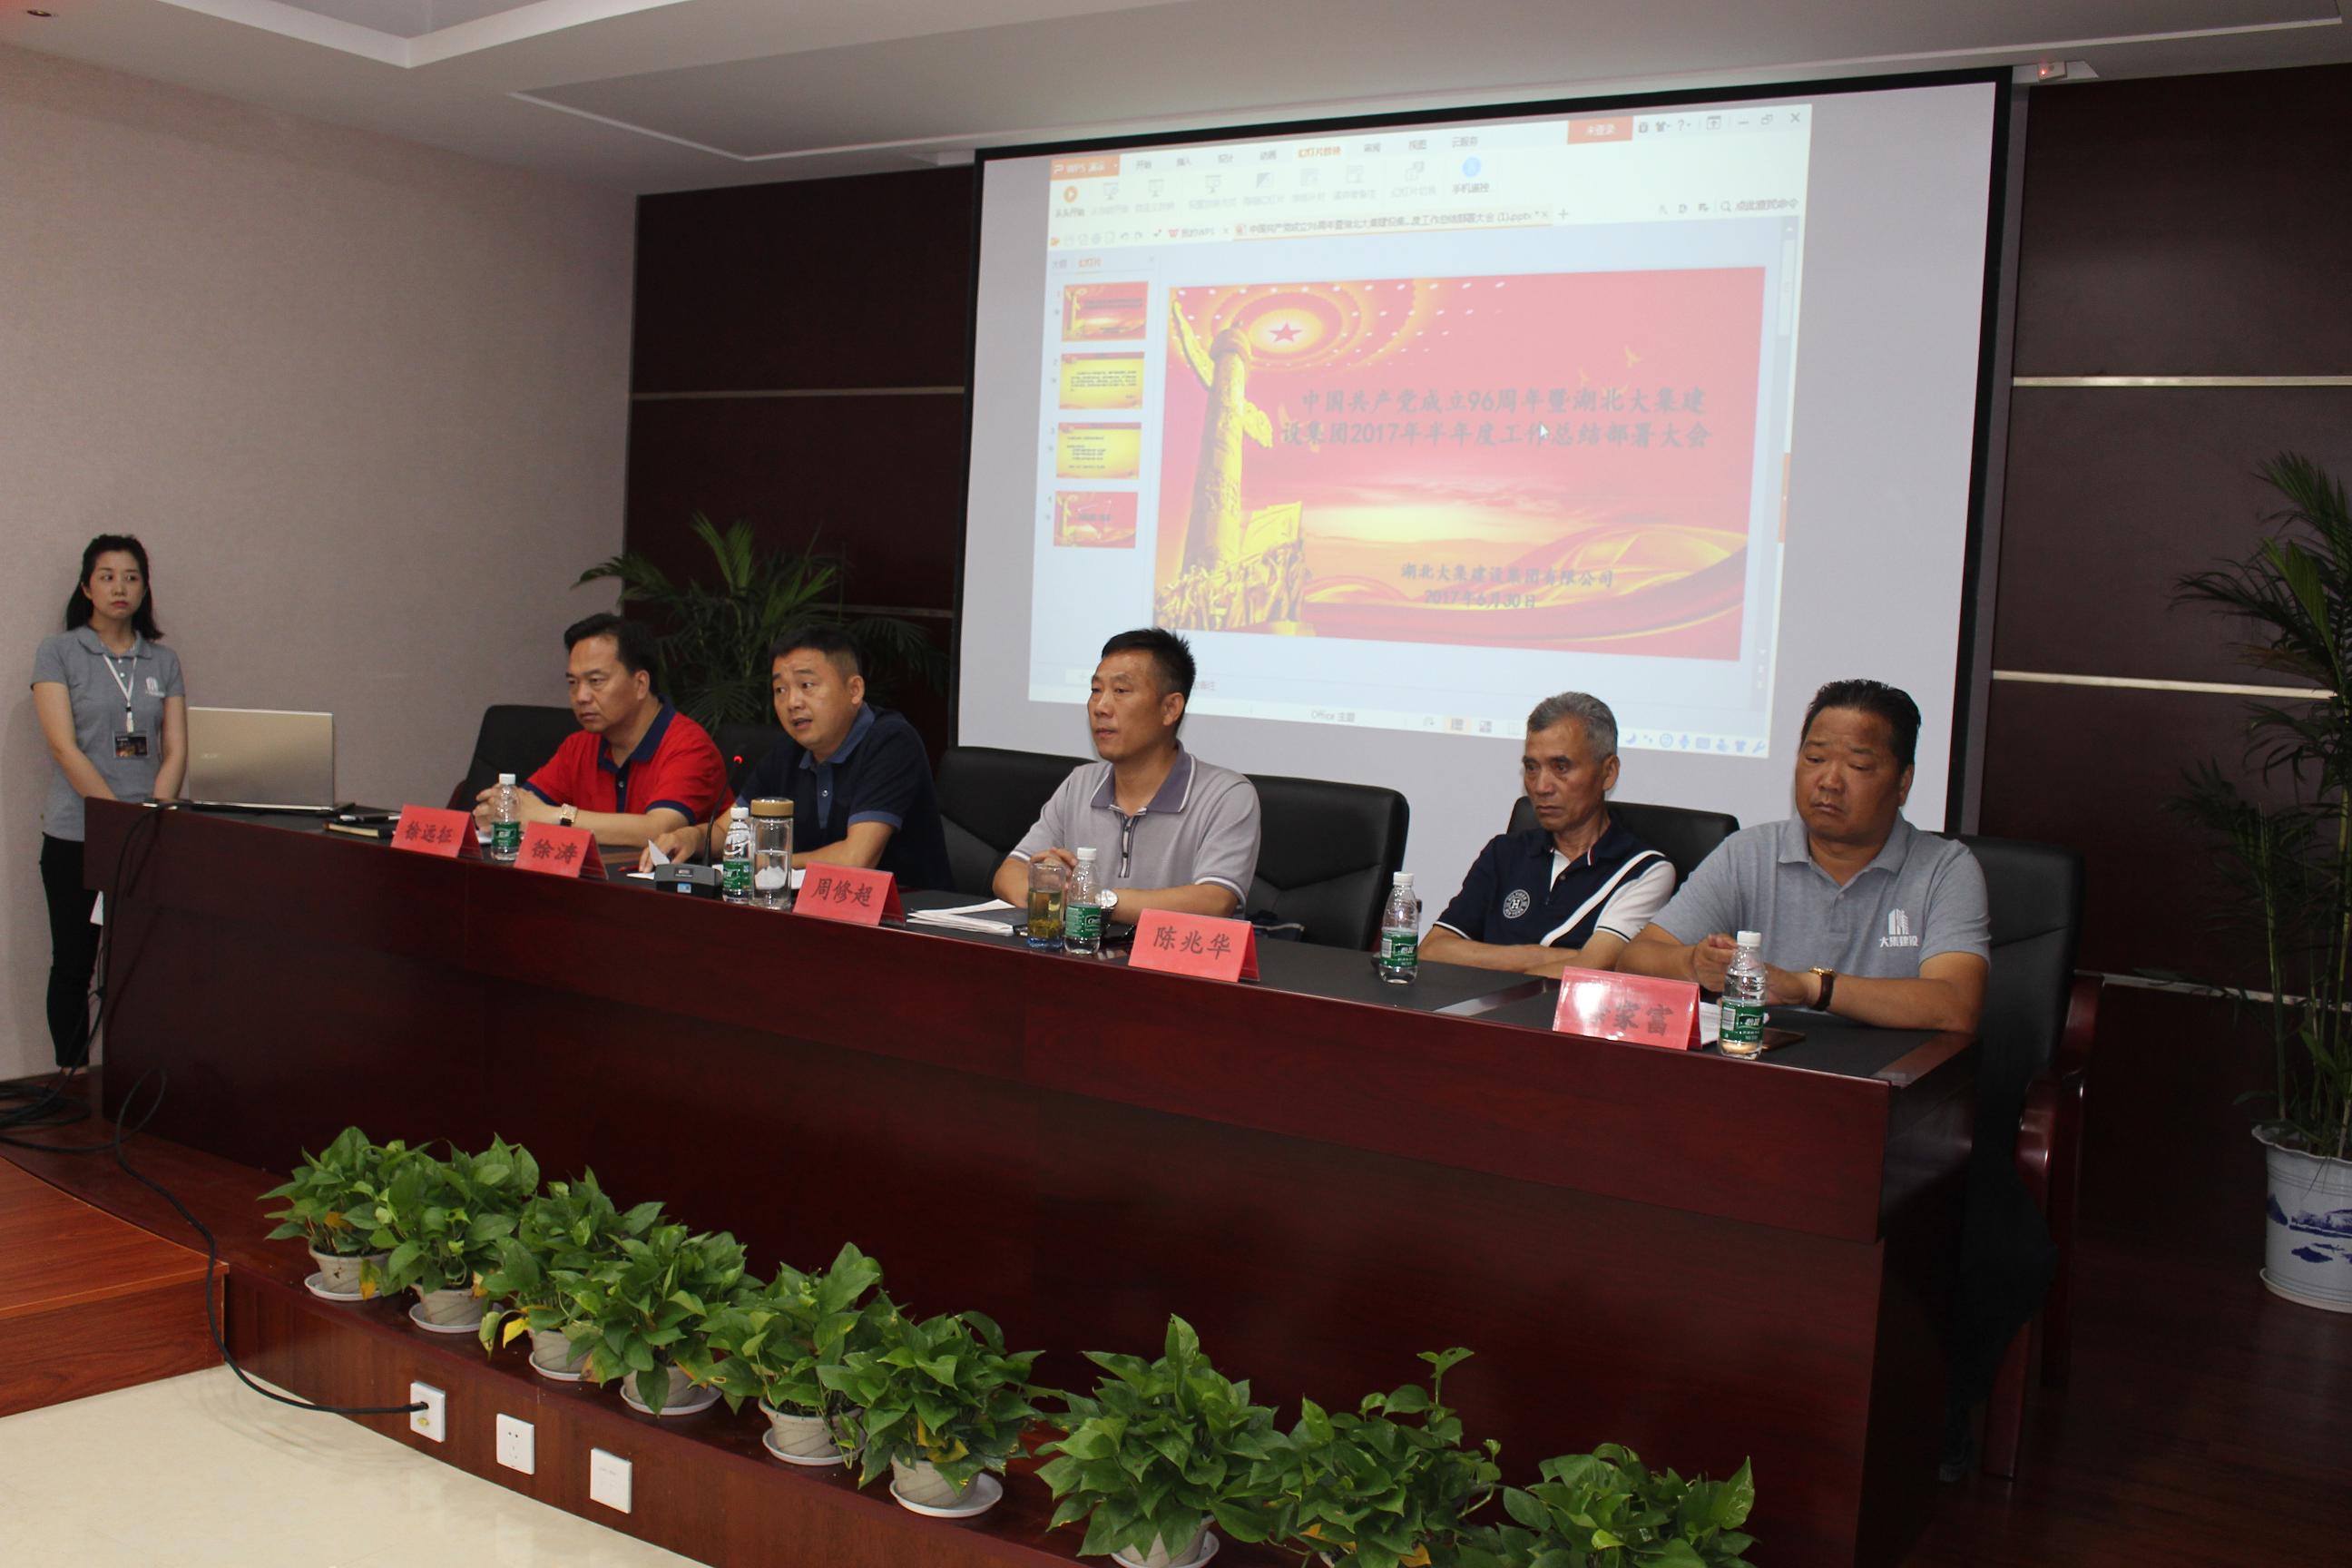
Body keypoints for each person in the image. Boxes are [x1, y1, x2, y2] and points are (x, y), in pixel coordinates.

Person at [1621, 679, 1988, 1034]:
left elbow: (1956, 1004)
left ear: (1903, 783)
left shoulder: (1944, 869)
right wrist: (1693, 964)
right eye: (1815, 758)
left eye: (1858, 766)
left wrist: (1811, 988)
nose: (1829, 781)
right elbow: (1635, 960)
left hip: (1889, 1072)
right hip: (1766, 1065)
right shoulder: (1748, 853)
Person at [31, 534, 186, 1069]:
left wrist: (151, 815)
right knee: (74, 962)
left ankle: (132, 1076)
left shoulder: (162, 660)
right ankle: (73, 1074)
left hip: (145, 836)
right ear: (86, 588)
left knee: (138, 963)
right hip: (76, 833)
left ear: (144, 590)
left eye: (132, 577)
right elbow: (62, 746)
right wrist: (115, 817)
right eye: (107, 576)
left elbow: (175, 749)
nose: (120, 587)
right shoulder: (59, 652)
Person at [640, 624, 952, 888]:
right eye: (780, 690)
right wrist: (691, 838)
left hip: (908, 920)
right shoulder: (788, 751)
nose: (792, 702)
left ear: (854, 690)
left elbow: (856, 859)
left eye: (807, 685)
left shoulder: (891, 741)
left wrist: (767, 864)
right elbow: (729, 830)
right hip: (812, 914)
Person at [992, 628, 1259, 927]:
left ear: (1170, 708)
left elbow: (1214, 901)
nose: (1101, 707)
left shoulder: (1226, 795)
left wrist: (1092, 899)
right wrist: (1053, 886)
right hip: (1086, 953)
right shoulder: (1081, 784)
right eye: (1096, 690)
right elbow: (1009, 874)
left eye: (1120, 691)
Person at [1423, 692, 1674, 976]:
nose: (1541, 786)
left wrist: (1487, 959)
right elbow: (1432, 951)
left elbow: (1593, 967)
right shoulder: (1504, 852)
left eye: (1561, 767)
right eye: (1532, 768)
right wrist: (1540, 955)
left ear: (1608, 772)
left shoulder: (1644, 871)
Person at [475, 613, 727, 850]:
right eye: (572, 683)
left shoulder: (689, 747)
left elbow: (659, 829)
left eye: (596, 681)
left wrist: (556, 816)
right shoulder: (579, 745)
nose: (581, 697)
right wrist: (499, 809)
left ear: (640, 684)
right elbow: (524, 807)